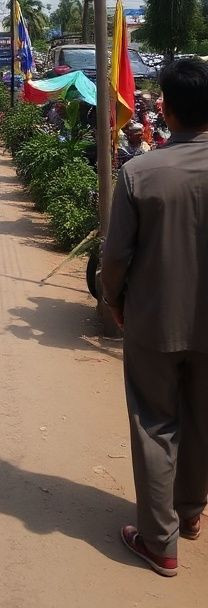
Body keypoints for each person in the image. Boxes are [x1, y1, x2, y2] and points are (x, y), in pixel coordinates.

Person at [102, 58, 208, 579]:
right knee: (202, 418)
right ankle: (190, 512)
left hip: (153, 320)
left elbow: (115, 257)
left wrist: (114, 302)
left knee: (155, 424)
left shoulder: (139, 172)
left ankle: (159, 541)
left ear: (166, 110)